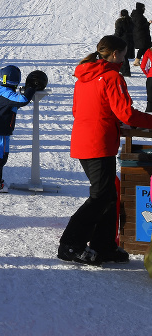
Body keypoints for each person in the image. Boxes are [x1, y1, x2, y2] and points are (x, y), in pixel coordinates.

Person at [58, 35, 152, 265]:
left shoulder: (84, 76)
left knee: (109, 195)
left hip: (84, 140)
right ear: (114, 54)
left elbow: (79, 110)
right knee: (100, 197)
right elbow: (126, 113)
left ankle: (105, 245)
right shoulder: (112, 76)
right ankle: (71, 245)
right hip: (99, 143)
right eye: (124, 53)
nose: (125, 57)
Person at [0, 66, 35, 193]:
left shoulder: (4, 91)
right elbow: (22, 100)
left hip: (3, 129)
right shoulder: (6, 93)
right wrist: (31, 89)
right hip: (0, 129)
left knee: (3, 156)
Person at [113, 10, 134, 77]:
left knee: (123, 56)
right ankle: (122, 70)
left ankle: (126, 72)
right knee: (125, 56)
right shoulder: (131, 21)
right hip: (131, 40)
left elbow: (118, 32)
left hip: (123, 40)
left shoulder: (120, 21)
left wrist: (114, 38)